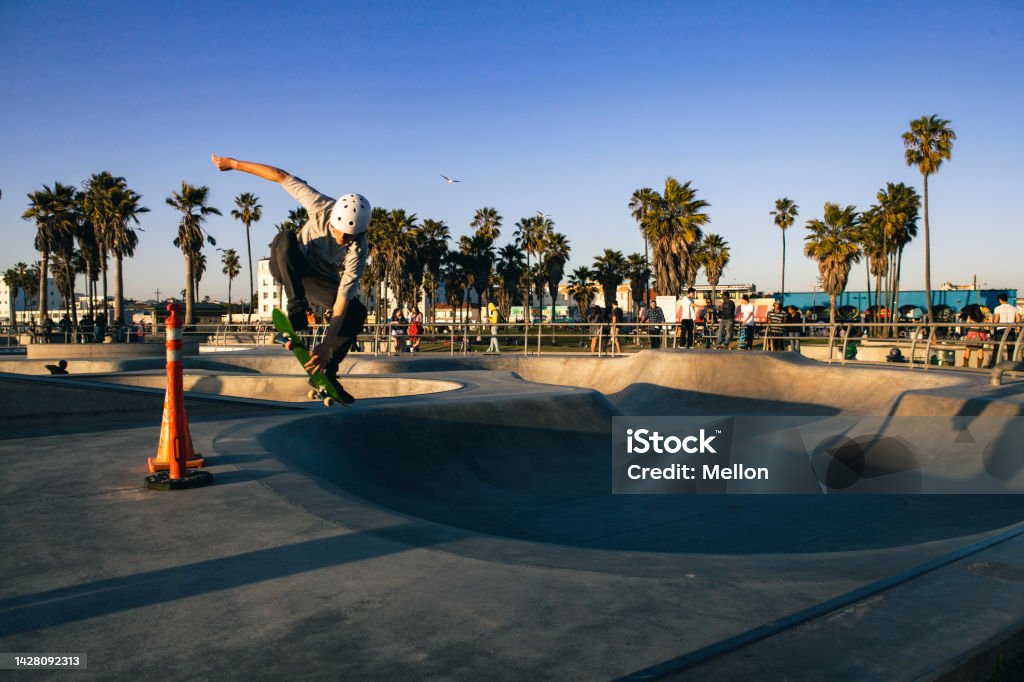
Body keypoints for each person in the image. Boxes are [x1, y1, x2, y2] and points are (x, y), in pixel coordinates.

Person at [212, 154, 370, 401]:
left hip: (316, 281)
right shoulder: (320, 205)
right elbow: (280, 176)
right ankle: (296, 306)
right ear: (334, 220)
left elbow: (341, 299)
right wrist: (234, 164)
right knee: (284, 237)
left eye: (350, 237)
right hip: (287, 267)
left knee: (356, 311)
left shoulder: (359, 248)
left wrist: (327, 345)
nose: (343, 241)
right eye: (340, 234)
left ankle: (327, 370)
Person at [992, 292, 1021, 363]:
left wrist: (993, 329)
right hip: (1011, 329)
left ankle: (994, 364)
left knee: (997, 348)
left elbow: (996, 320)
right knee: (1010, 348)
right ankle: (1010, 365)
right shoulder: (1014, 308)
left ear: (1000, 300)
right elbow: (1018, 319)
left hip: (1001, 329)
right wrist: (1017, 328)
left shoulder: (997, 308)